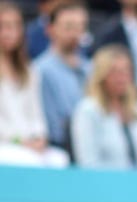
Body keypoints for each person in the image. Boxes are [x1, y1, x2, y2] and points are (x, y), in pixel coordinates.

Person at [71, 43, 137, 170]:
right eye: (115, 72)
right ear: (102, 75)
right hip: (106, 185)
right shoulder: (88, 110)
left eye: (126, 71)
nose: (122, 78)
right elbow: (89, 163)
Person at [0, 1, 69, 167]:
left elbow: (36, 113)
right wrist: (19, 141)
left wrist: (40, 137)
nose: (10, 32)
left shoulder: (30, 70)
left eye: (15, 26)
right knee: (27, 159)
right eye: (4, 26)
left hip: (29, 143)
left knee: (60, 159)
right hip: (7, 143)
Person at [34, 1, 91, 151]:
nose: (75, 33)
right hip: (62, 149)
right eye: (68, 27)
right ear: (50, 29)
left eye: (80, 27)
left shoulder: (91, 68)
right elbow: (53, 129)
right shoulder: (40, 71)